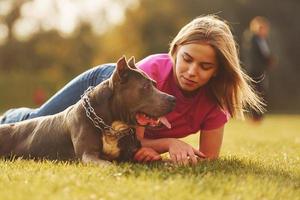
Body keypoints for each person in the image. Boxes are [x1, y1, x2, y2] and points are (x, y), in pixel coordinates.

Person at [0, 15, 264, 165]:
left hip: (133, 104)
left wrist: (174, 158)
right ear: (174, 52)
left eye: (205, 66)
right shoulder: (152, 74)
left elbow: (208, 158)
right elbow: (137, 141)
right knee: (35, 122)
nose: (193, 71)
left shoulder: (215, 103)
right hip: (112, 84)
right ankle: (8, 118)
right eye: (187, 59)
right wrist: (169, 143)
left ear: (218, 70)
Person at [241, 16, 274, 122]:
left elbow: (265, 54)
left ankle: (258, 116)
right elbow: (255, 57)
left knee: (262, 92)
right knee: (256, 92)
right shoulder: (252, 39)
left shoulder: (264, 40)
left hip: (262, 71)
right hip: (254, 71)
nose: (263, 30)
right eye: (261, 28)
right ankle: (254, 116)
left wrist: (269, 61)